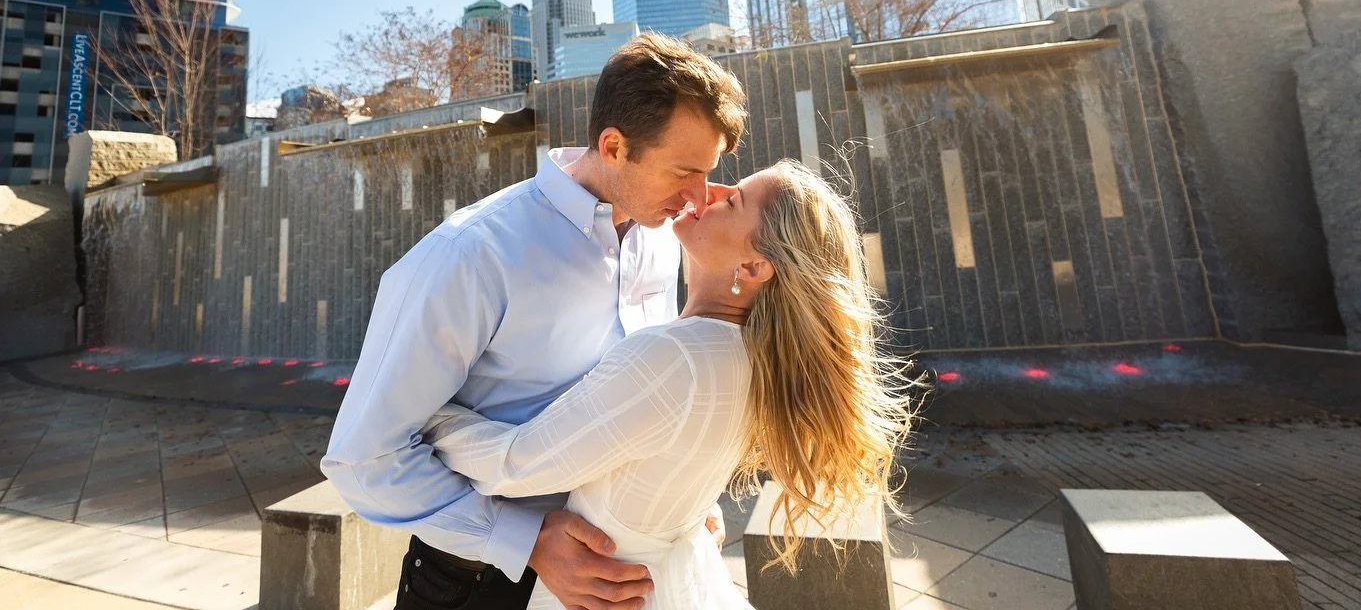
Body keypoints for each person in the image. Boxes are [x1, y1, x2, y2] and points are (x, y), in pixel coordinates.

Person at [322, 33, 748, 610]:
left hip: (622, 568)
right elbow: (363, 456)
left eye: (708, 172)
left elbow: (648, 397)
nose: (698, 197)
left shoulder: (660, 241)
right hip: (475, 583)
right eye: (683, 172)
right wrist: (524, 541)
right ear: (615, 146)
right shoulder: (470, 255)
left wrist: (687, 496)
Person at [424, 159, 916, 610]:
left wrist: (427, 414)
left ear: (752, 268)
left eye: (734, 200)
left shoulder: (675, 357)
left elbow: (515, 465)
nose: (711, 190)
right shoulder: (751, 359)